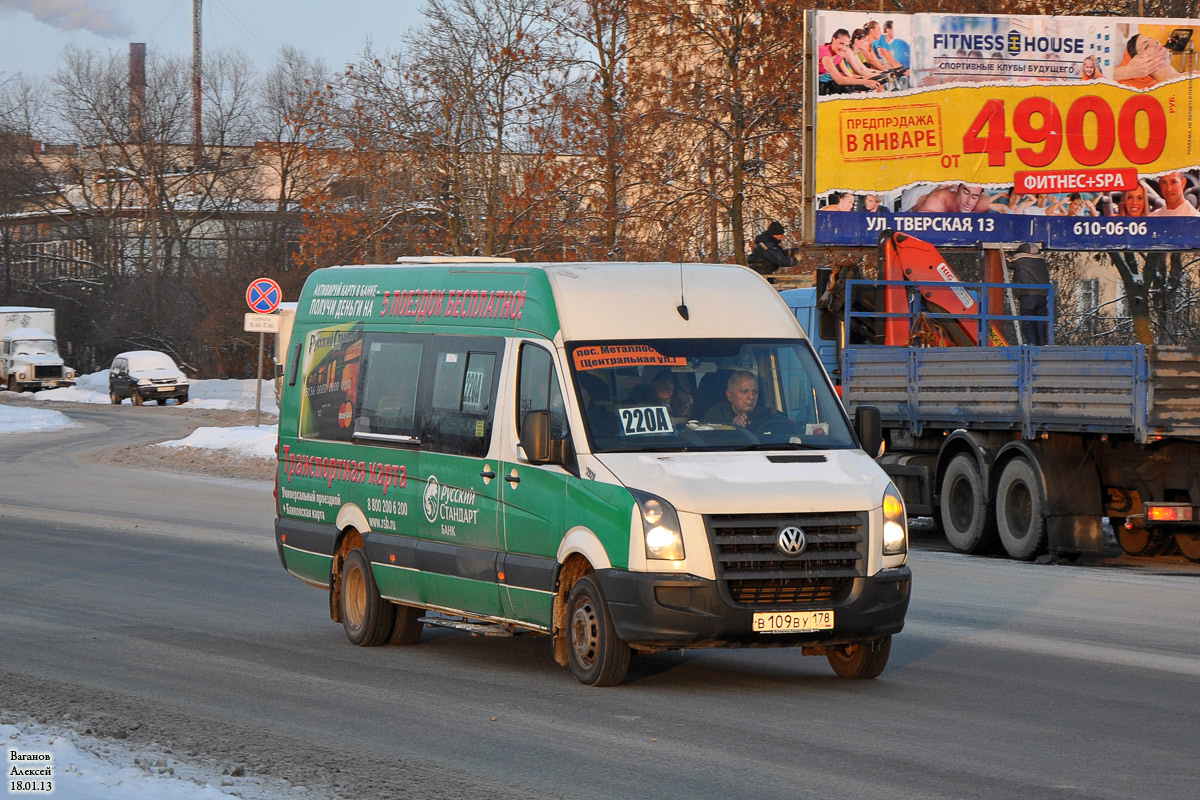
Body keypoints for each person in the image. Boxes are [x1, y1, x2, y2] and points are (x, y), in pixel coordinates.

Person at [1008, 243, 1051, 346]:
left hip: (1027, 294)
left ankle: (1032, 343)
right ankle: (1043, 344)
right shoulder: (1041, 260)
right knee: (1041, 321)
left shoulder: (1019, 259)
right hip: (1042, 294)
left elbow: (1008, 264)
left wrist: (1008, 255)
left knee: (1028, 320)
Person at [818, 28, 881, 94]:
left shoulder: (838, 54)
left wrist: (871, 80)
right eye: (841, 43)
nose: (843, 48)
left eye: (846, 45)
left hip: (826, 84)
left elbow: (849, 75)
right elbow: (839, 80)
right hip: (817, 85)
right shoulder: (826, 55)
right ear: (834, 39)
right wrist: (865, 82)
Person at [702, 370, 768, 428]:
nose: (751, 397)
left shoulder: (765, 415)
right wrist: (733, 426)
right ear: (730, 395)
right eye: (744, 392)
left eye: (754, 392)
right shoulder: (715, 416)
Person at [913, 183, 991, 213]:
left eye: (975, 197)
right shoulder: (939, 199)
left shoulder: (984, 204)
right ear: (957, 189)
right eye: (966, 193)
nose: (968, 202)